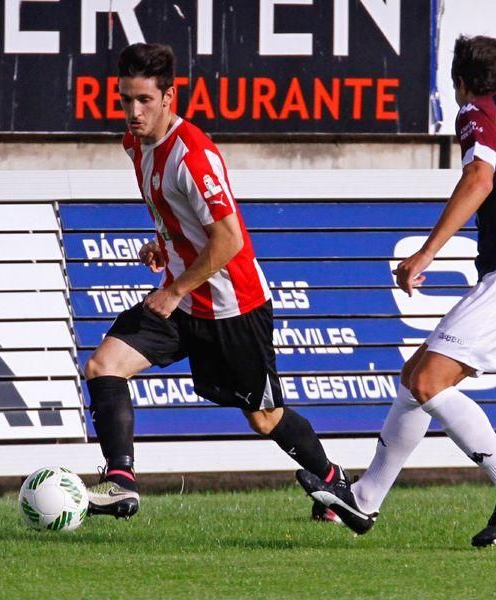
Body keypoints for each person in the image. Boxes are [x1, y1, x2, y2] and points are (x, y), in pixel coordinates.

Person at [298, 35, 496, 547]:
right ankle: (363, 501)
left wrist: (425, 253)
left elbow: (478, 179)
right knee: (415, 379)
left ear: (459, 82)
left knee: (430, 382)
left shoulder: (478, 111)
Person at [84, 42, 346, 522]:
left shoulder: (194, 156)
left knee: (264, 418)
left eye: (144, 100)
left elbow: (229, 240)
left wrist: (176, 285)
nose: (133, 111)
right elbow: (176, 213)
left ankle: (333, 483)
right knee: (104, 366)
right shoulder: (135, 143)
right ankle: (120, 481)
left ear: (169, 98)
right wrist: (164, 245)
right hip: (182, 306)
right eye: (125, 99)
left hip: (232, 307)